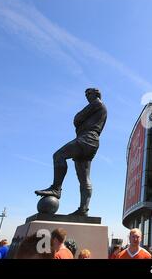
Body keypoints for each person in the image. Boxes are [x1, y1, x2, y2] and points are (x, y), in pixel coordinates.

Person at [35, 88, 108, 216]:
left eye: (88, 93)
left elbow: (77, 118)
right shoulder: (98, 106)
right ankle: (83, 210)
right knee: (84, 178)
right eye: (85, 94)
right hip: (91, 141)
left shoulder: (97, 103)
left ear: (96, 94)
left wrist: (79, 121)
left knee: (59, 155)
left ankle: (56, 189)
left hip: (87, 138)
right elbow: (78, 120)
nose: (86, 96)